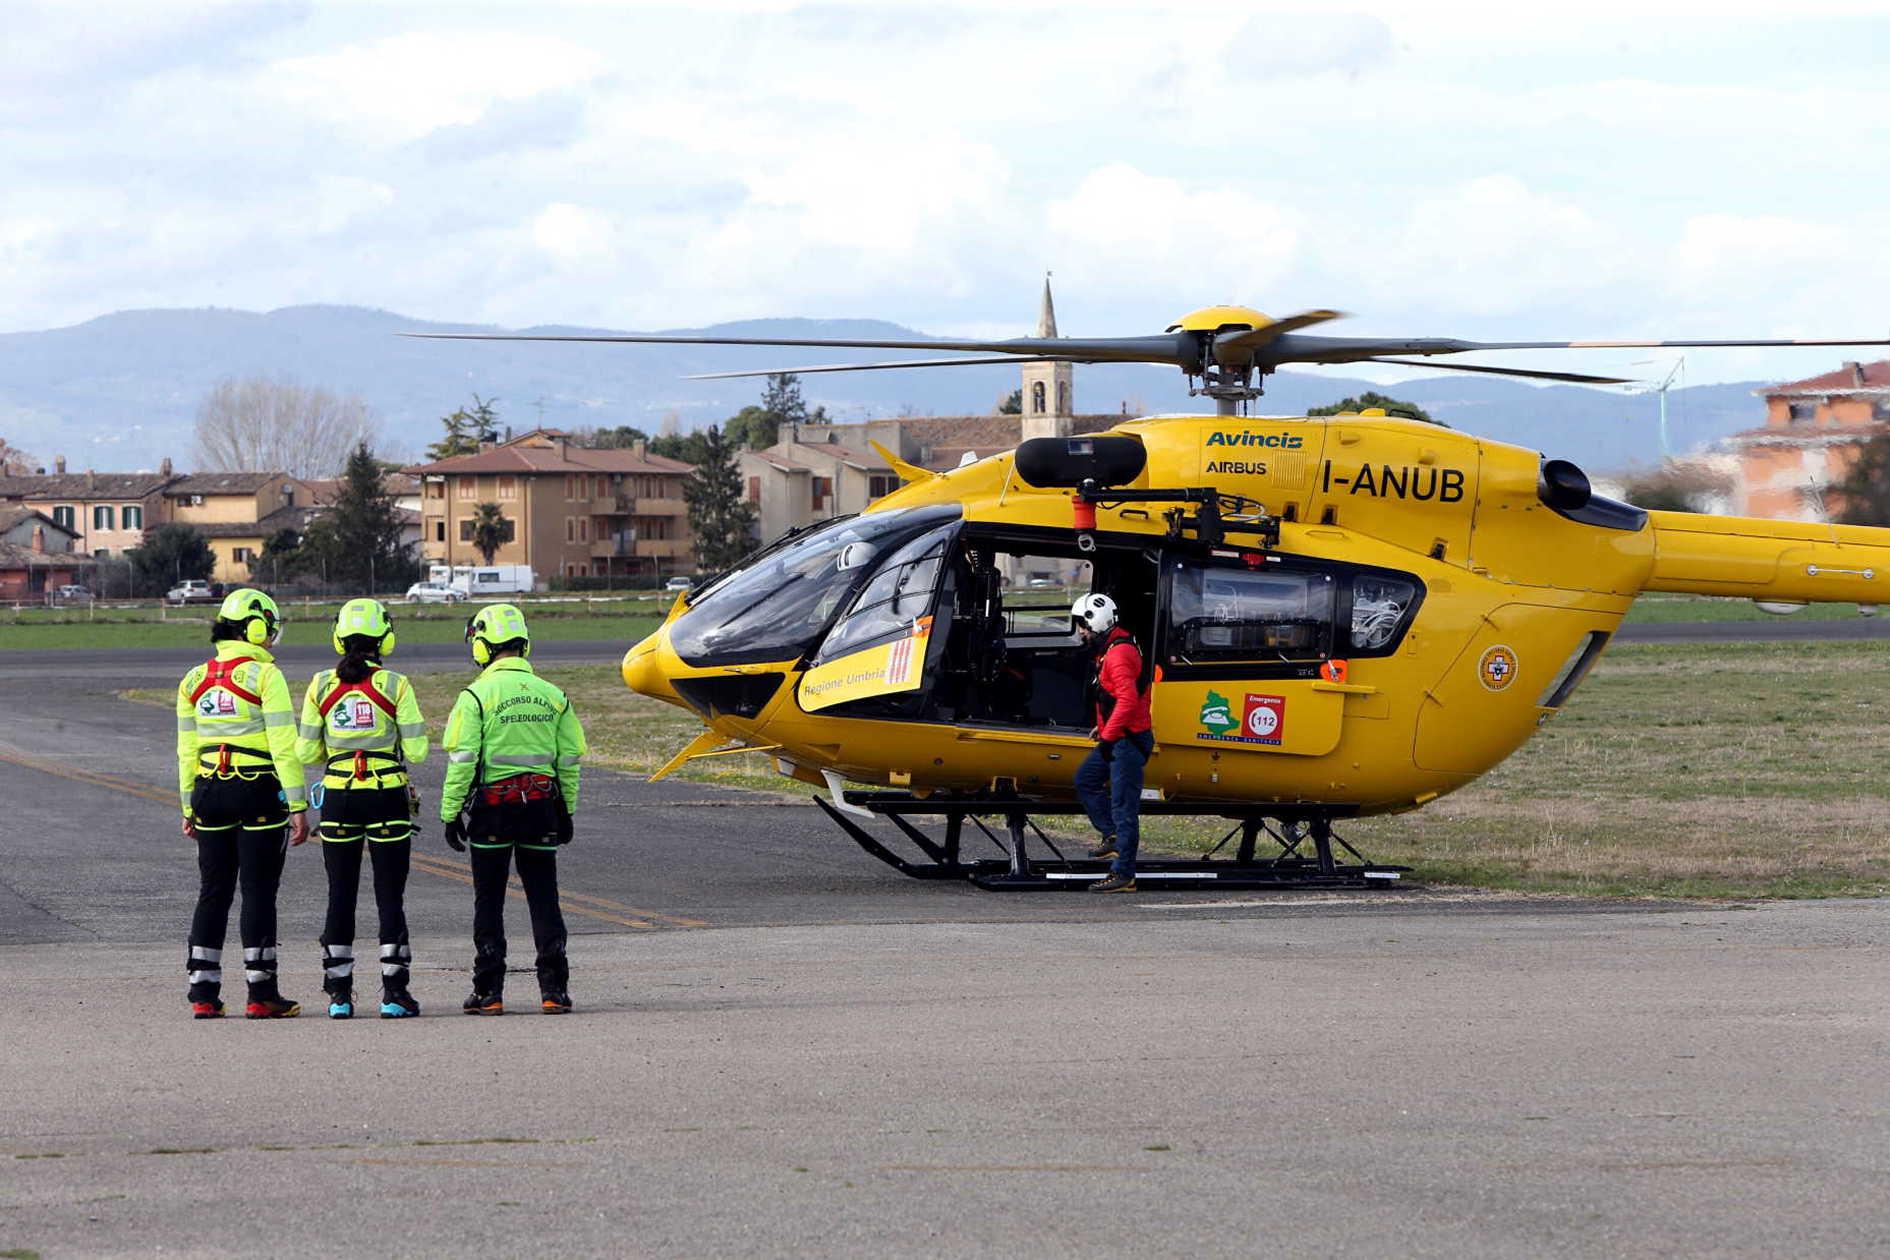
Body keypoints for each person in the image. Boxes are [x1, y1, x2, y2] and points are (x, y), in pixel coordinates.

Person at [439, 604, 586, 1016]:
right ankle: (554, 989)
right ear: (524, 645)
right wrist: (567, 811)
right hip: (541, 808)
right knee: (545, 899)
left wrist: (450, 814)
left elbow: (463, 760)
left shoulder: (475, 697)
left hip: (493, 812)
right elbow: (570, 758)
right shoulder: (554, 695)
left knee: (489, 902)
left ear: (483, 647)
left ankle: (489, 992)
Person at [175, 588, 309, 1019]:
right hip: (257, 791)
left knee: (212, 891)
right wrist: (298, 804)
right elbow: (283, 746)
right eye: (268, 628)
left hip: (209, 790)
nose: (271, 637)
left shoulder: (193, 679)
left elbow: (186, 751)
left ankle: (202, 994)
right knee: (257, 891)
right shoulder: (265, 676)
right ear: (253, 629)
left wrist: (187, 807)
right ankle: (261, 992)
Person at [295, 598, 429, 1020]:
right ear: (385, 637)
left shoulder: (320, 685)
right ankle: (394, 992)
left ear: (337, 636)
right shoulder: (397, 685)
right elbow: (419, 751)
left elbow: (306, 749)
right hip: (387, 793)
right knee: (391, 896)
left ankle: (339, 994)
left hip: (338, 795)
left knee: (340, 894)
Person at [1070, 593, 1154, 894]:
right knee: (1085, 780)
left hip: (1126, 741)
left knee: (1123, 807)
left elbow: (1128, 700)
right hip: (1117, 735)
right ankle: (1113, 836)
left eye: (1082, 625)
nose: (1080, 631)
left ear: (1097, 622)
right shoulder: (1111, 648)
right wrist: (1103, 727)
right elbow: (1115, 697)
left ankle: (1124, 874)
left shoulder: (1118, 654)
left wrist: (1108, 737)